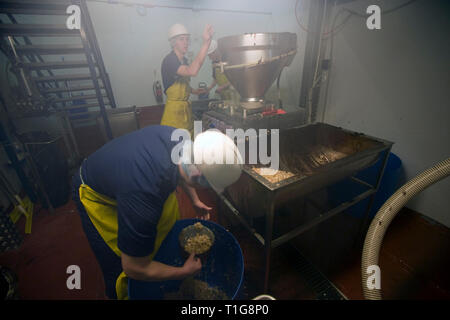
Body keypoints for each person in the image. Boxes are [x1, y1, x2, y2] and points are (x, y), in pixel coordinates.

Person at [72, 125, 242, 300]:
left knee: (155, 238)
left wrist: (194, 199)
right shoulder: (145, 196)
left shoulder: (183, 141)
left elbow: (191, 170)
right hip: (96, 191)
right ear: (198, 176)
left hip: (126, 176)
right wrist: (183, 272)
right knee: (118, 265)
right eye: (209, 185)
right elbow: (133, 267)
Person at [160, 23, 214, 136]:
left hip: (185, 111)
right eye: (181, 39)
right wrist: (206, 43)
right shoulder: (170, 60)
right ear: (173, 42)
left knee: (190, 144)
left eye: (187, 39)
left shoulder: (184, 60)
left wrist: (194, 91)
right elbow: (192, 71)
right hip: (173, 114)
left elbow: (182, 85)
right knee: (175, 147)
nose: (186, 43)